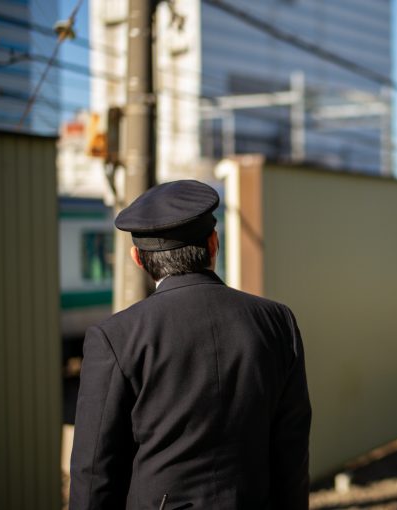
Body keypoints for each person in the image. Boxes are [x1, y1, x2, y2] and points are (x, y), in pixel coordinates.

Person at [69, 180, 311, 509]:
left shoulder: (115, 337)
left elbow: (95, 471)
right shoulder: (277, 321)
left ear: (137, 258)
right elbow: (292, 451)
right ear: (214, 243)